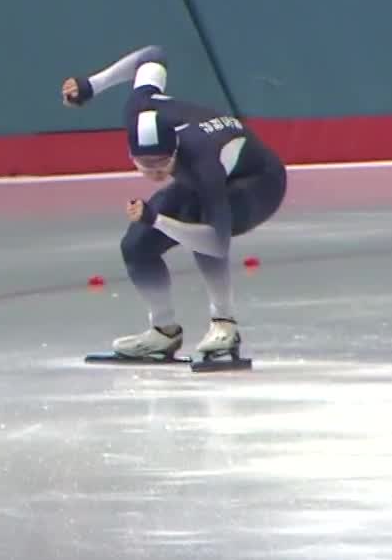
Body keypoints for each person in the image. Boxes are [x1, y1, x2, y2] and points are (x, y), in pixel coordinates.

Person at [61, 45, 287, 361]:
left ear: (176, 151)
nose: (154, 173)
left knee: (197, 219)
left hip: (260, 182)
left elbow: (215, 243)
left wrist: (157, 219)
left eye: (162, 164)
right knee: (137, 245)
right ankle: (162, 332)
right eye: (145, 165)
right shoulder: (138, 107)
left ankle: (225, 324)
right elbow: (151, 54)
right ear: (130, 154)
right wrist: (92, 85)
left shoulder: (202, 164)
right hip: (200, 175)